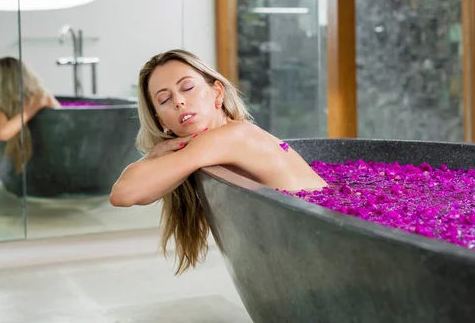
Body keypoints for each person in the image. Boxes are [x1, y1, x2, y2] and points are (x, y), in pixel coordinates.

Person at [110, 49, 327, 274]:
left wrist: (155, 155)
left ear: (217, 93)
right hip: (315, 232)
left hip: (324, 236)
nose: (179, 102)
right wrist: (157, 152)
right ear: (161, 120)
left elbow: (123, 194)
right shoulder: (223, 138)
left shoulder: (228, 138)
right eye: (165, 99)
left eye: (187, 88)